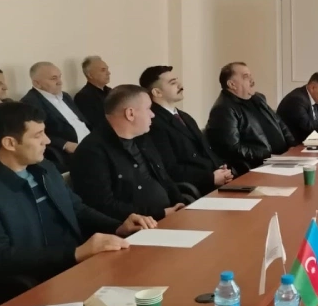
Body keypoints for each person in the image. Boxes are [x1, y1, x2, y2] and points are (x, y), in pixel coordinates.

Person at [0, 102, 153, 301]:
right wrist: (75, 253)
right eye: (38, 135)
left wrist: (118, 227)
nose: (47, 141)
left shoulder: (44, 168)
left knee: (147, 281)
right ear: (10, 143)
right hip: (30, 289)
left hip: (76, 271)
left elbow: (77, 209)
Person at [70, 85, 186, 221]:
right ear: (130, 114)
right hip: (140, 225)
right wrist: (161, 213)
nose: (153, 114)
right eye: (148, 109)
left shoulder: (142, 139)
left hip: (170, 215)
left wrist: (181, 204)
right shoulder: (91, 152)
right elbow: (103, 205)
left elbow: (164, 177)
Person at [141, 65, 233, 193]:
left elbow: (206, 150)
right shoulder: (153, 123)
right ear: (157, 92)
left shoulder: (184, 117)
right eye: (173, 83)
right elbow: (170, 169)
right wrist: (210, 178)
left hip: (215, 181)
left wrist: (221, 169)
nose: (180, 85)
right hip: (195, 189)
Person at [205, 62, 296, 174]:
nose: (252, 80)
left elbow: (279, 122)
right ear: (232, 84)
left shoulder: (258, 98)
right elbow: (233, 148)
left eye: (250, 75)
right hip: (259, 166)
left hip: (284, 159)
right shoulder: (223, 109)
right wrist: (268, 155)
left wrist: (292, 145)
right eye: (246, 77)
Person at [21, 62, 91, 172]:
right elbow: (36, 134)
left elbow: (82, 122)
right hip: (69, 151)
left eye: (59, 77)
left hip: (89, 143)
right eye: (53, 78)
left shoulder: (65, 96)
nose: (60, 82)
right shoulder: (30, 102)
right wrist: (65, 144)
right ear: (37, 83)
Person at [276, 72, 318, 142]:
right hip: (293, 145)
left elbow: (317, 125)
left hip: (307, 142)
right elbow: (307, 126)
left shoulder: (316, 99)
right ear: (312, 88)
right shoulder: (297, 99)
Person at [74, 56, 112, 127]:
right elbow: (94, 124)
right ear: (90, 75)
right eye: (103, 70)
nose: (108, 73)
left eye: (107, 69)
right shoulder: (83, 97)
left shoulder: (111, 91)